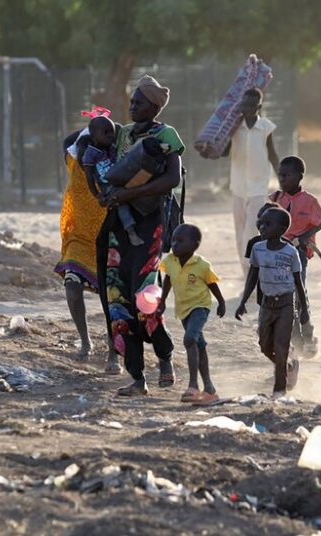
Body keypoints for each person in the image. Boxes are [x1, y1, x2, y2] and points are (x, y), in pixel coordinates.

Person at [97, 75, 184, 397]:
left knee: (145, 299)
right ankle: (137, 377)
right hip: (119, 227)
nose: (132, 107)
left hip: (150, 224)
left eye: (139, 102)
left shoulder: (166, 135)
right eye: (131, 102)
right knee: (118, 301)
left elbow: (172, 179)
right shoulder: (121, 134)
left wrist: (130, 195)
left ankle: (164, 357)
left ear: (155, 106)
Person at [235, 207, 310, 397]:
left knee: (280, 345)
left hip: (286, 304)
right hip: (267, 304)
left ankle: (279, 390)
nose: (262, 227)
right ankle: (285, 364)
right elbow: (252, 276)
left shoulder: (290, 252)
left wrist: (304, 310)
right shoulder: (257, 248)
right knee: (264, 344)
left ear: (282, 228)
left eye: (268, 224)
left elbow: (298, 282)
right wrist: (243, 301)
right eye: (261, 223)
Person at [56, 119, 112, 359]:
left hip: (108, 238)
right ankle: (85, 342)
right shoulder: (72, 162)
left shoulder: (109, 168)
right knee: (72, 286)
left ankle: (113, 350)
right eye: (83, 148)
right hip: (78, 238)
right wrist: (92, 125)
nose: (86, 153)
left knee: (110, 297)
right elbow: (68, 140)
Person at [157, 224, 226, 406]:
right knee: (199, 345)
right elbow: (168, 279)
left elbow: (212, 284)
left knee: (189, 340)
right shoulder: (170, 261)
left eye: (180, 241)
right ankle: (210, 389)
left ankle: (193, 385)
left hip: (200, 306)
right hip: (184, 309)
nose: (174, 244)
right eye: (173, 240)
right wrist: (162, 301)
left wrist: (221, 302)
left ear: (195, 245)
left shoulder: (202, 265)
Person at [270, 156, 321, 355]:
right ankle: (294, 339)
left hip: (298, 254)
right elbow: (264, 221)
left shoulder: (309, 201)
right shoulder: (276, 199)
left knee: (299, 293)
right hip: (277, 254)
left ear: (299, 177)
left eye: (286, 175)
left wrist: (303, 237)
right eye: (280, 175)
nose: (282, 179)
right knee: (283, 296)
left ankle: (308, 335)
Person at [226, 88, 279, 275]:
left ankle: (251, 267)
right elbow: (224, 151)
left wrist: (282, 178)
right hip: (238, 186)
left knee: (251, 228)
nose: (247, 109)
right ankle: (245, 269)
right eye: (244, 105)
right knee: (239, 229)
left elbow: (272, 154)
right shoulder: (234, 127)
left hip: (258, 186)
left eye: (251, 105)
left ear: (259, 107)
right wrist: (226, 131)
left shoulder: (266, 127)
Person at [81, 115, 142, 246]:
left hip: (121, 180)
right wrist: (97, 194)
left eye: (112, 132)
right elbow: (89, 176)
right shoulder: (90, 154)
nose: (110, 135)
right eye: (105, 132)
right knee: (121, 203)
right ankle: (131, 230)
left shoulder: (113, 147)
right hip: (108, 186)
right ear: (93, 135)